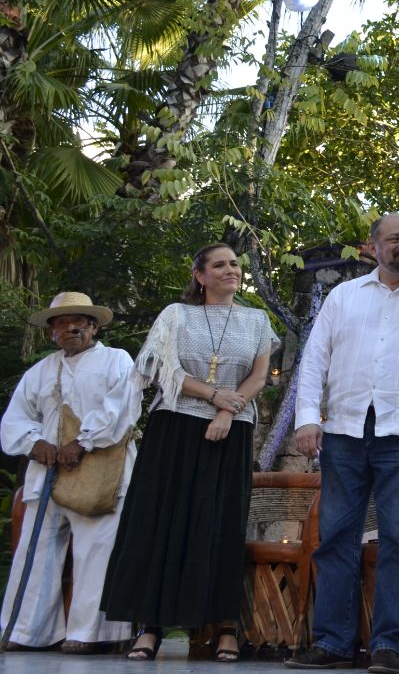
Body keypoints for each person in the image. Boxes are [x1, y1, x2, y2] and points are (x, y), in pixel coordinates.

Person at [287, 213, 399, 674]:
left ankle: (390, 645)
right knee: (336, 538)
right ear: (373, 248)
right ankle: (332, 641)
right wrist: (308, 418)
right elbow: (314, 361)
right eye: (394, 238)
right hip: (345, 431)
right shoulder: (343, 297)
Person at [101, 244, 278, 662]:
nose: (230, 270)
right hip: (175, 427)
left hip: (231, 431)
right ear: (199, 275)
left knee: (220, 523)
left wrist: (224, 412)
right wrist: (215, 396)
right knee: (161, 522)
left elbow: (258, 376)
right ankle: (151, 626)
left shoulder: (257, 320)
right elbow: (165, 369)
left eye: (235, 263)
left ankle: (226, 628)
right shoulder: (175, 315)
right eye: (219, 264)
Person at [0, 292, 139, 653]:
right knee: (37, 548)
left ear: (94, 326)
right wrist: (35, 444)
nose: (71, 327)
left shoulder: (116, 361)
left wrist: (82, 443)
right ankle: (26, 631)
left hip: (101, 471)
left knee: (97, 551)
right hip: (46, 474)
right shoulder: (40, 371)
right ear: (52, 333)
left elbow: (121, 409)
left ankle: (92, 634)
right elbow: (15, 419)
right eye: (62, 322)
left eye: (80, 321)